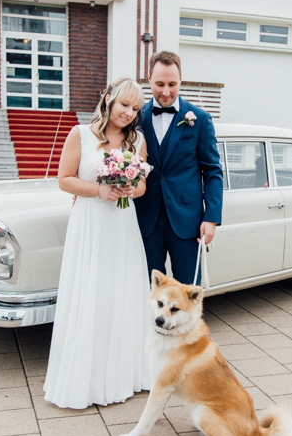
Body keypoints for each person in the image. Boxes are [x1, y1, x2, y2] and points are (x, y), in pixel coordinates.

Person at [44, 77, 151, 409]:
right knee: (91, 291)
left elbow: (143, 185)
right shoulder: (80, 133)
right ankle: (86, 379)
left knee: (121, 292)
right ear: (108, 99)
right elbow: (64, 180)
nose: (128, 113)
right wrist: (100, 190)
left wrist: (132, 189)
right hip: (90, 223)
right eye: (124, 105)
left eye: (134, 109)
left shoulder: (137, 140)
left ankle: (124, 374)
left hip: (122, 223)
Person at [135, 50, 223, 285]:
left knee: (187, 292)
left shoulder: (200, 119)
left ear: (181, 79)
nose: (166, 92)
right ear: (149, 79)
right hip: (145, 219)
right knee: (148, 290)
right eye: (160, 84)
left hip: (187, 221)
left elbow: (212, 171)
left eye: (172, 84)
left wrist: (212, 217)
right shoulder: (136, 118)